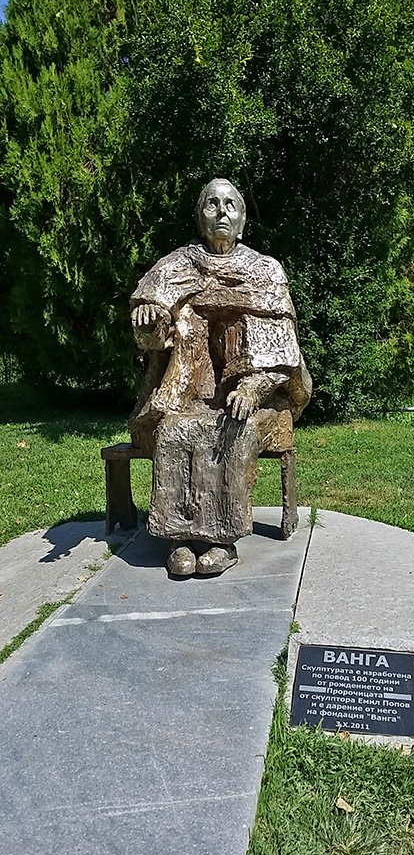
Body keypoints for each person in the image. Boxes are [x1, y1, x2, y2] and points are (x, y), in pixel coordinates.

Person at [129, 178, 311, 575]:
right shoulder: (177, 267)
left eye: (231, 205)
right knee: (173, 429)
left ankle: (223, 542)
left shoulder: (265, 271)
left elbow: (282, 350)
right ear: (199, 218)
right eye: (212, 204)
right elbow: (153, 338)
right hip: (188, 392)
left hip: (259, 394)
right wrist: (150, 321)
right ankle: (178, 539)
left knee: (235, 430)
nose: (222, 212)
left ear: (243, 221)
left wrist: (254, 387)